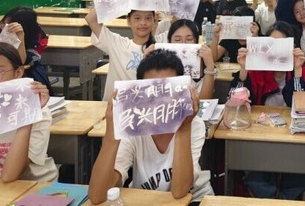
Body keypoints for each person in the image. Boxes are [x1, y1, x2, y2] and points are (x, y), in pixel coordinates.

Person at [88, 49, 213, 205]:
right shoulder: (133, 126)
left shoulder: (193, 124)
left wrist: (183, 128)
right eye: (153, 91)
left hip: (194, 199)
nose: (161, 100)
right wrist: (112, 134)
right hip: (147, 199)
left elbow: (180, 191)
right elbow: (97, 195)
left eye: (168, 89)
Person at [230, 21, 305, 199]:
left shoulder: (301, 71)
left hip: (293, 138)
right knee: (254, 176)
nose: (276, 50)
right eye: (271, 44)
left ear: (292, 47)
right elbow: (236, 103)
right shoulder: (256, 71)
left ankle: (282, 198)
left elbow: (302, 107)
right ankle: (272, 198)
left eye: (282, 44)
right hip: (259, 137)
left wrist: (297, 71)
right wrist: (243, 69)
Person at [0, 42, 58, 182]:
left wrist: (27, 116)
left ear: (18, 72)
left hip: (36, 186)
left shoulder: (39, 112)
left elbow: (10, 175)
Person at [86, 0, 156, 100]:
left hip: (146, 106)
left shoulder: (160, 46)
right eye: (137, 18)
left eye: (148, 18)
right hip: (115, 106)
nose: (143, 23)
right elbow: (91, 19)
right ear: (128, 21)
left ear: (154, 21)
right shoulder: (117, 44)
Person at [0, 7, 53, 93]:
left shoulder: (38, 40)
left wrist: (20, 37)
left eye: (9, 26)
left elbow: (21, 62)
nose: (3, 28)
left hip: (28, 77)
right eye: (3, 24)